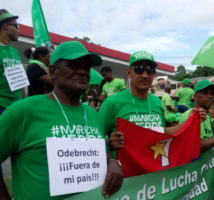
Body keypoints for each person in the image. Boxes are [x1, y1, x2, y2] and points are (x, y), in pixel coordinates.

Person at [0, 41, 123, 200]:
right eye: (73, 65)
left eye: (86, 67)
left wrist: (113, 162)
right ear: (53, 71)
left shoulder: (92, 113)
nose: (82, 71)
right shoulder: (22, 111)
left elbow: (101, 152)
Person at [98, 51, 205, 152]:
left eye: (150, 70)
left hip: (154, 169)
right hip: (125, 170)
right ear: (128, 73)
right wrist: (109, 144)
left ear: (154, 74)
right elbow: (94, 142)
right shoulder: (111, 103)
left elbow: (162, 132)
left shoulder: (156, 102)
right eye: (139, 69)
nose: (145, 75)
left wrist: (191, 120)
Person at [0, 9, 24, 197]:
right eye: (16, 26)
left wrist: (23, 105)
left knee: (22, 153)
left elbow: (21, 82)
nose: (19, 30)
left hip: (17, 109)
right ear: (6, 26)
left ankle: (22, 191)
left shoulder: (15, 53)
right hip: (1, 108)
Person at [179, 79, 214, 152]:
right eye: (205, 93)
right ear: (195, 96)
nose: (210, 96)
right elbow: (193, 146)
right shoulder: (188, 115)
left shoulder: (206, 116)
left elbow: (207, 139)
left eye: (212, 93)